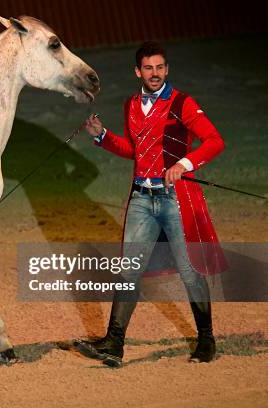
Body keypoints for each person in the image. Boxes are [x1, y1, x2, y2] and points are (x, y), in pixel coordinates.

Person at [74, 41, 226, 367]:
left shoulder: (182, 102)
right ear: (138, 71)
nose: (154, 73)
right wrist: (103, 137)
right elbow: (135, 151)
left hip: (174, 199)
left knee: (189, 270)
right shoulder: (131, 104)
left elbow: (214, 141)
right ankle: (114, 344)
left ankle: (206, 340)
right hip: (142, 198)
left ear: (166, 69)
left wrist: (184, 165)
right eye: (148, 68)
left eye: (159, 67)